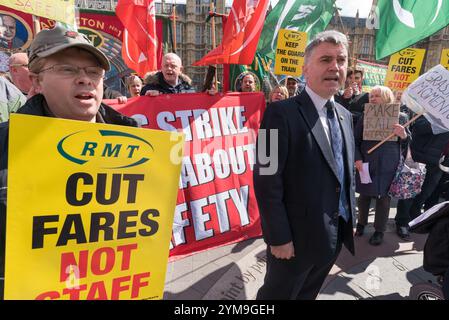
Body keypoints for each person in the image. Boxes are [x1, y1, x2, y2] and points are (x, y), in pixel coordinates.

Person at [0, 25, 138, 299]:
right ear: (36, 81)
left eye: (93, 72)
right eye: (67, 69)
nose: (85, 79)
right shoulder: (4, 146)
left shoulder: (135, 147)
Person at [254, 30, 356, 300]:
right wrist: (278, 237)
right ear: (305, 70)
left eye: (341, 60)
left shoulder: (346, 116)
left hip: (332, 238)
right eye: (325, 59)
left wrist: (349, 216)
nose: (335, 66)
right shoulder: (277, 113)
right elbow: (265, 178)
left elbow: (343, 176)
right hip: (292, 243)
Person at [354, 85, 408, 246]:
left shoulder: (401, 117)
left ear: (387, 97)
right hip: (366, 161)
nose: (373, 98)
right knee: (364, 195)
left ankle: (379, 231)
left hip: (389, 164)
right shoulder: (365, 116)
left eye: (377, 95)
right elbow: (355, 140)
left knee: (384, 198)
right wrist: (357, 159)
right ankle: (361, 223)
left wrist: (403, 135)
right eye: (371, 96)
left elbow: (406, 143)